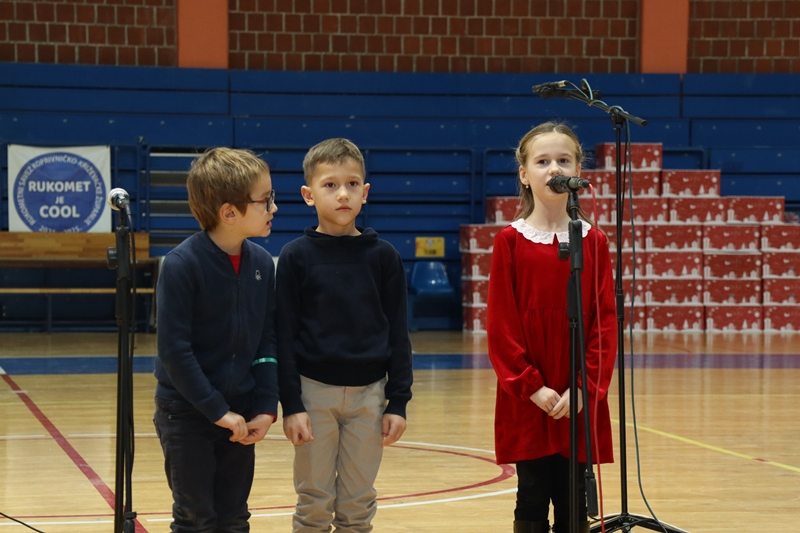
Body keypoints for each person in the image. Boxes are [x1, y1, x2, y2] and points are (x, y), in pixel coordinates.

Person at [276, 137, 413, 533]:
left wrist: (398, 401)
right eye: (330, 185)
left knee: (357, 503)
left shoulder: (383, 256)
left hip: (370, 396)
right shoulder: (295, 257)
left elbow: (398, 333)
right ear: (308, 195)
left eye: (352, 184)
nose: (342, 194)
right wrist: (291, 404)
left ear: (365, 192)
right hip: (312, 394)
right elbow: (283, 335)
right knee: (314, 502)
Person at [486, 122, 617, 533]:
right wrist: (532, 387)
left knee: (574, 495)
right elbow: (501, 325)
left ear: (578, 171)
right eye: (542, 161)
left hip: (576, 392)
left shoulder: (593, 242)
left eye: (563, 160)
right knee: (531, 491)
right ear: (524, 174)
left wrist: (584, 389)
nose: (554, 169)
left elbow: (604, 325)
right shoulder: (510, 241)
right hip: (529, 394)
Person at [153, 147, 280, 532]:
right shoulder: (181, 265)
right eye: (265, 200)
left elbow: (265, 342)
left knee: (234, 518)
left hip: (241, 411)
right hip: (187, 414)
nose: (274, 207)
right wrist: (216, 410)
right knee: (196, 519)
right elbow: (175, 352)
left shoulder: (262, 264)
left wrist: (266, 406)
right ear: (229, 212)